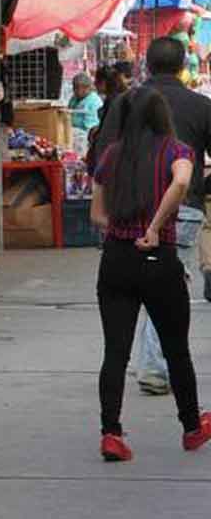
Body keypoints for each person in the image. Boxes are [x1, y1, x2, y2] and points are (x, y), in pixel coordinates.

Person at [90, 87, 211, 461]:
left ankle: (111, 432)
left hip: (116, 261)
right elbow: (180, 181)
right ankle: (192, 427)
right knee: (176, 349)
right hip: (159, 261)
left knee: (115, 352)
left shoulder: (111, 156)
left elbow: (96, 215)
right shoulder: (177, 151)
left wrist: (123, 233)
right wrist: (155, 227)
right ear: (163, 117)